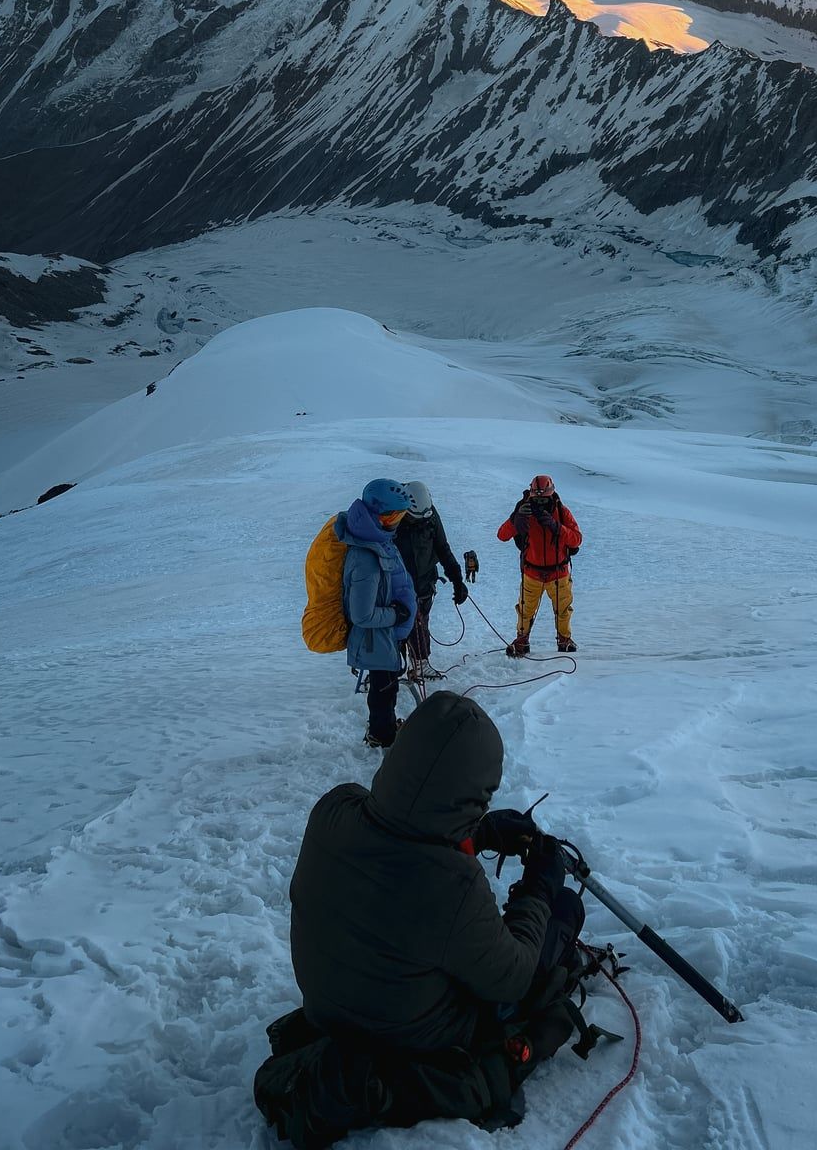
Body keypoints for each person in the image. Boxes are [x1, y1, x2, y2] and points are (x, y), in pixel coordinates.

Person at [255, 693, 587, 1145]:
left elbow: (399, 825)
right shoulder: (450, 885)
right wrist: (540, 886)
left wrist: (482, 829)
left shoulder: (335, 808)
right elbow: (513, 978)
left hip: (330, 1009)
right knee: (564, 911)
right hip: (414, 1037)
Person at [303, 478, 418, 748]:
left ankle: (382, 729)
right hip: (376, 636)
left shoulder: (376, 539)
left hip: (385, 635)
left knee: (386, 686)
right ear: (383, 516)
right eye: (397, 515)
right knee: (383, 690)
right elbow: (361, 615)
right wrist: (397, 615)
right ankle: (382, 734)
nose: (400, 521)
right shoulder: (365, 557)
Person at [498, 474, 582, 657]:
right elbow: (502, 535)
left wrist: (557, 528)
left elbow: (577, 540)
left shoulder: (562, 512)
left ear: (552, 495)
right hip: (532, 572)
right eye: (537, 499)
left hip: (558, 573)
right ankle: (522, 640)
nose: (540, 504)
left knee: (563, 610)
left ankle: (564, 639)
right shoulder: (523, 511)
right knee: (525, 610)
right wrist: (515, 519)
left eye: (544, 500)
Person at [393, 481, 469, 683]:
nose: (420, 520)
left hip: (425, 583)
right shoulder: (392, 516)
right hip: (397, 585)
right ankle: (386, 671)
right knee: (394, 626)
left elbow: (442, 547)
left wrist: (457, 580)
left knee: (420, 624)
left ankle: (420, 664)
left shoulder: (430, 514)